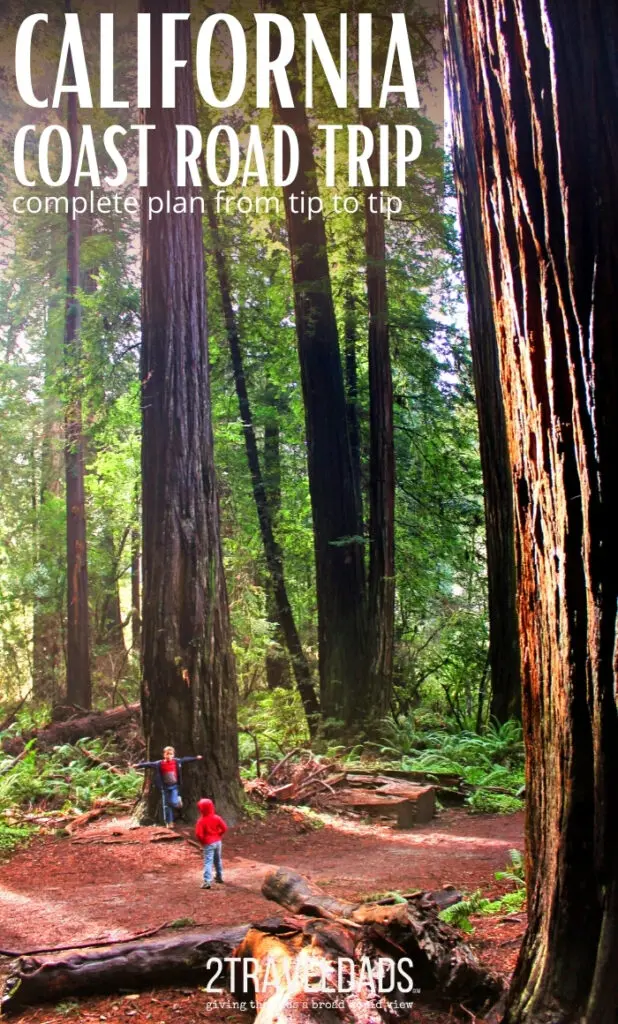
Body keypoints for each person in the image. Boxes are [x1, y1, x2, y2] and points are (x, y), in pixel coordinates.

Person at [134, 746, 203, 827]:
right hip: (164, 787)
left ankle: (178, 801)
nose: (169, 756)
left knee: (173, 802)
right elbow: (149, 764)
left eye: (170, 754)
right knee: (166, 806)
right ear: (164, 755)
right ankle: (169, 822)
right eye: (167, 754)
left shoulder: (176, 761)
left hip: (174, 786)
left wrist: (195, 758)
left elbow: (186, 759)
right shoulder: (159, 763)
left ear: (173, 755)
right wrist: (138, 765)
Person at [195, 797, 227, 889]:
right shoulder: (217, 818)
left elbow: (199, 834)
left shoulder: (201, 821)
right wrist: (219, 835)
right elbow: (224, 828)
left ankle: (207, 881)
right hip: (218, 842)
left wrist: (203, 842)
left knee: (208, 862)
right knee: (218, 860)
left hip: (208, 843)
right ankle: (219, 876)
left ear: (201, 809)